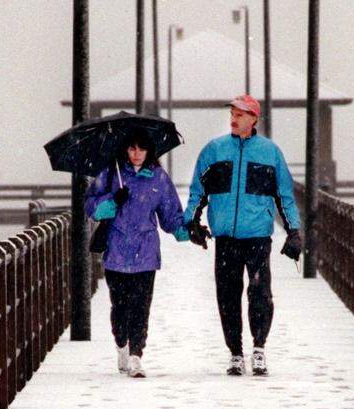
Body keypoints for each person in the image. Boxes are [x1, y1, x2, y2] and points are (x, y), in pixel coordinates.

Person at [183, 94, 302, 376]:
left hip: (257, 236)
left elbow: (285, 195)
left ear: (254, 119)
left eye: (240, 114)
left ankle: (259, 349)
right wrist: (192, 222)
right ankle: (235, 353)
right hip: (226, 238)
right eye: (232, 114)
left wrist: (294, 230)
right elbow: (197, 191)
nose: (234, 119)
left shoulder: (270, 153)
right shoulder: (214, 150)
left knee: (260, 294)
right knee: (227, 296)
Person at [85, 130, 190, 378]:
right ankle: (121, 344)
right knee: (119, 308)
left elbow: (170, 215)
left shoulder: (158, 178)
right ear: (125, 149)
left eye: (141, 148)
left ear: (149, 151)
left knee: (141, 307)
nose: (136, 154)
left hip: (146, 253)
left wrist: (187, 232)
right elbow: (91, 206)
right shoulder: (111, 174)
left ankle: (136, 355)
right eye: (131, 148)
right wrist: (112, 200)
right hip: (116, 252)